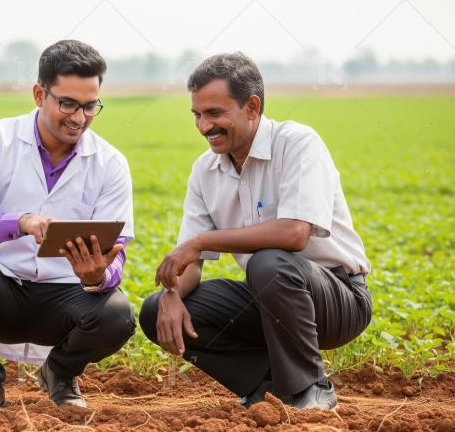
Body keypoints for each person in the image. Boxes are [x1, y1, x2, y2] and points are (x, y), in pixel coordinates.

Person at [138, 52, 372, 410]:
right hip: (268, 297)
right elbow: (193, 264)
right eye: (197, 115)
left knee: (268, 262)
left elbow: (295, 234)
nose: (204, 127)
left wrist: (202, 241)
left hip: (337, 298)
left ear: (251, 106)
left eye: (215, 113)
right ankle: (267, 386)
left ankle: (309, 388)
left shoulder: (296, 143)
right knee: (155, 310)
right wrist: (172, 294)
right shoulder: (206, 171)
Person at [0, 40, 136, 409]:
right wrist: (21, 222)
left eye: (90, 105)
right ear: (38, 95)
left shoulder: (110, 164)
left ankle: (59, 373)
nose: (79, 117)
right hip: (1, 296)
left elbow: (117, 256)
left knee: (118, 315)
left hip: (63, 299)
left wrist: (97, 277)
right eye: (67, 103)